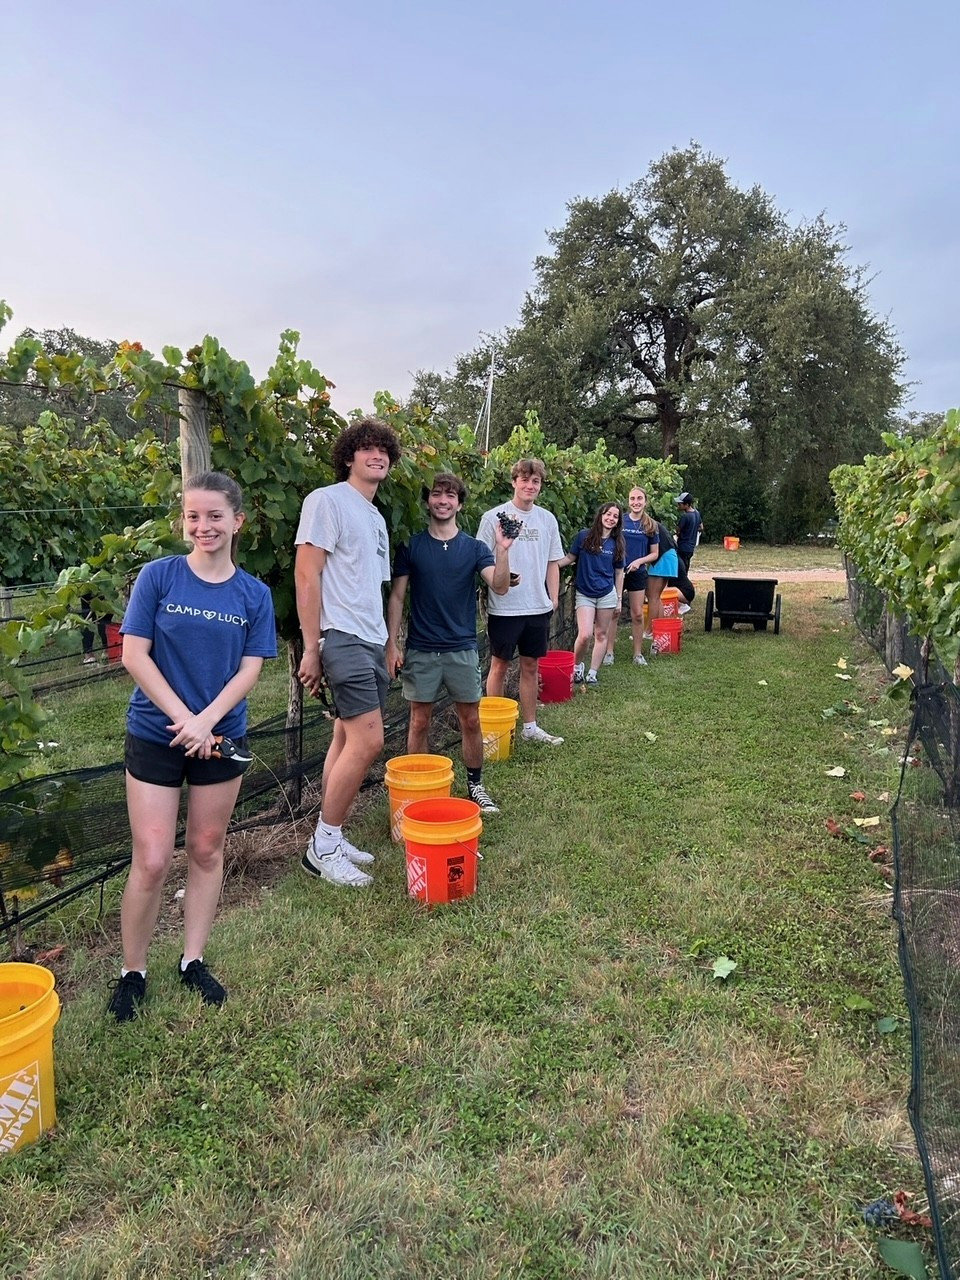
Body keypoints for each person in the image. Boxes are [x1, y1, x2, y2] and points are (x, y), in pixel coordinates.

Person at [106, 472, 277, 1023]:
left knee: (206, 848)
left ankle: (192, 959)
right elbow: (135, 654)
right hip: (157, 733)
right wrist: (185, 720)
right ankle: (133, 971)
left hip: (221, 737)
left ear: (237, 522)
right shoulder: (158, 577)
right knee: (153, 858)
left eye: (215, 516)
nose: (203, 526)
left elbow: (250, 669)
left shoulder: (254, 594)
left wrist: (206, 723)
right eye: (194, 516)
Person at [295, 418, 401, 888]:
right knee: (368, 742)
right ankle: (322, 847)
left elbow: (371, 587)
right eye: (367, 448)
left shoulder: (375, 518)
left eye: (384, 450)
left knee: (343, 737)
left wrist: (386, 643)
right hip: (342, 636)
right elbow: (307, 574)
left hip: (370, 639)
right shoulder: (327, 501)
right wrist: (312, 646)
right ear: (348, 457)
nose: (377, 456)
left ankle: (332, 838)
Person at [386, 473, 515, 814]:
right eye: (437, 494)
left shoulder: (475, 549)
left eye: (450, 495)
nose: (443, 501)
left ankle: (476, 786)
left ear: (459, 504)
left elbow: (500, 586)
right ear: (428, 501)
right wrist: (391, 644)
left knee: (470, 720)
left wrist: (503, 550)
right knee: (419, 721)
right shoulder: (411, 546)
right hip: (421, 649)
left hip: (461, 648)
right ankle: (418, 791)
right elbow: (397, 597)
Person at [476, 459, 566, 746]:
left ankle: (530, 727)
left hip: (537, 607)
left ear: (540, 486)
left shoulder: (547, 519)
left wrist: (553, 598)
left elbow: (553, 562)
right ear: (513, 482)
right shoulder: (494, 517)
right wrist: (500, 578)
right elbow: (481, 559)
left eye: (535, 481)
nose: (530, 486)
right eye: (524, 480)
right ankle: (495, 730)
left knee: (531, 666)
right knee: (499, 666)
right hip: (505, 607)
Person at [558, 502, 625, 687]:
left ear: (618, 521)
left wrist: (619, 599)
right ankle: (577, 666)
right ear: (601, 515)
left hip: (607, 594)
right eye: (608, 514)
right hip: (585, 593)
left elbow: (619, 572)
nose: (611, 518)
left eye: (615, 516)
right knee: (585, 634)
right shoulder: (584, 536)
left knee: (601, 634)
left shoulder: (618, 543)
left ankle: (593, 673)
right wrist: (551, 565)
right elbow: (570, 558)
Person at [605, 486, 659, 667]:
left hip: (637, 573)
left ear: (645, 501)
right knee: (614, 611)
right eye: (632, 499)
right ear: (628, 501)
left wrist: (639, 561)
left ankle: (637, 654)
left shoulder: (651, 525)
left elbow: (655, 553)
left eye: (639, 498)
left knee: (637, 614)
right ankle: (609, 652)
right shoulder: (621, 521)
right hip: (617, 572)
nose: (636, 502)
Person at [645, 513, 680, 636]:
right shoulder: (653, 523)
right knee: (656, 596)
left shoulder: (646, 524)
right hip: (669, 557)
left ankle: (649, 631)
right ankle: (658, 629)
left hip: (662, 558)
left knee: (652, 596)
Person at [675, 492, 704, 593]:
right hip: (691, 547)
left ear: (686, 505)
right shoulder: (697, 513)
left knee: (681, 571)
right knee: (686, 568)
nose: (678, 506)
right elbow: (701, 527)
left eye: (680, 504)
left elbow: (677, 531)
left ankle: (683, 590)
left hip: (682, 546)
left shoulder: (685, 517)